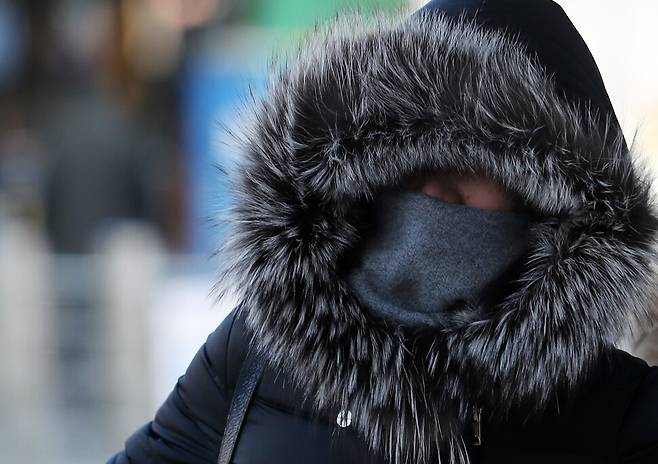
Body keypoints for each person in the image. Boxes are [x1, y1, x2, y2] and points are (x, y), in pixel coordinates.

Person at [108, 0, 658, 462]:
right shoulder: (260, 346)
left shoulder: (605, 405)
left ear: (551, 202)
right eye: (408, 152)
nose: (432, 187)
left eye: (474, 160)